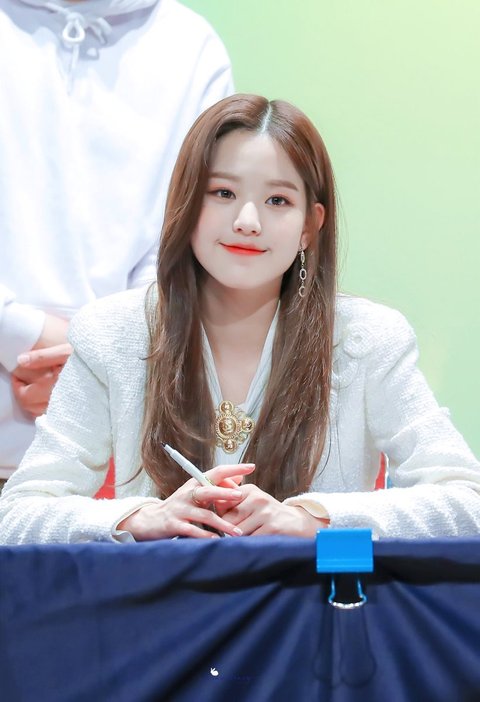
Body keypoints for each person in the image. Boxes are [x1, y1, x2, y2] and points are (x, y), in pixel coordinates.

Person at [1, 93, 480, 544]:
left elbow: (466, 501)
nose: (247, 221)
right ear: (186, 204)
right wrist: (142, 518)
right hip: (163, 601)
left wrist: (314, 518)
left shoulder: (367, 338)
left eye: (277, 201)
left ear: (310, 226)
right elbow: (19, 513)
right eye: (223, 192)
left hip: (312, 602)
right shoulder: (113, 333)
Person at [0, 0, 234, 486]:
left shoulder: (188, 45)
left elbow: (190, 236)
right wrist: (22, 333)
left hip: (118, 460)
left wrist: (99, 356)